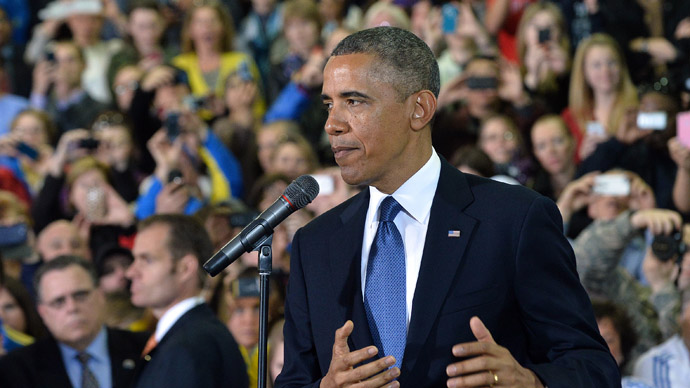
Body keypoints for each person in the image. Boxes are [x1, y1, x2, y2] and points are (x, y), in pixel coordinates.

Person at [275, 26, 619, 388]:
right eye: (329, 104)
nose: (332, 124)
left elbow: (594, 368)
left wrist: (531, 382)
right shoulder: (314, 244)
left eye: (354, 101)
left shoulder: (514, 220)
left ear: (419, 109)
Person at [126, 214, 248, 388]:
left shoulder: (188, 348)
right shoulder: (196, 335)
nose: (131, 272)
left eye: (147, 260)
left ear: (185, 268)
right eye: (134, 259)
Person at [0, 255, 147, 388]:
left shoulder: (146, 349)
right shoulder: (16, 369)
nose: (72, 307)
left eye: (80, 295)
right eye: (59, 301)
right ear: (43, 312)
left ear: (101, 296)